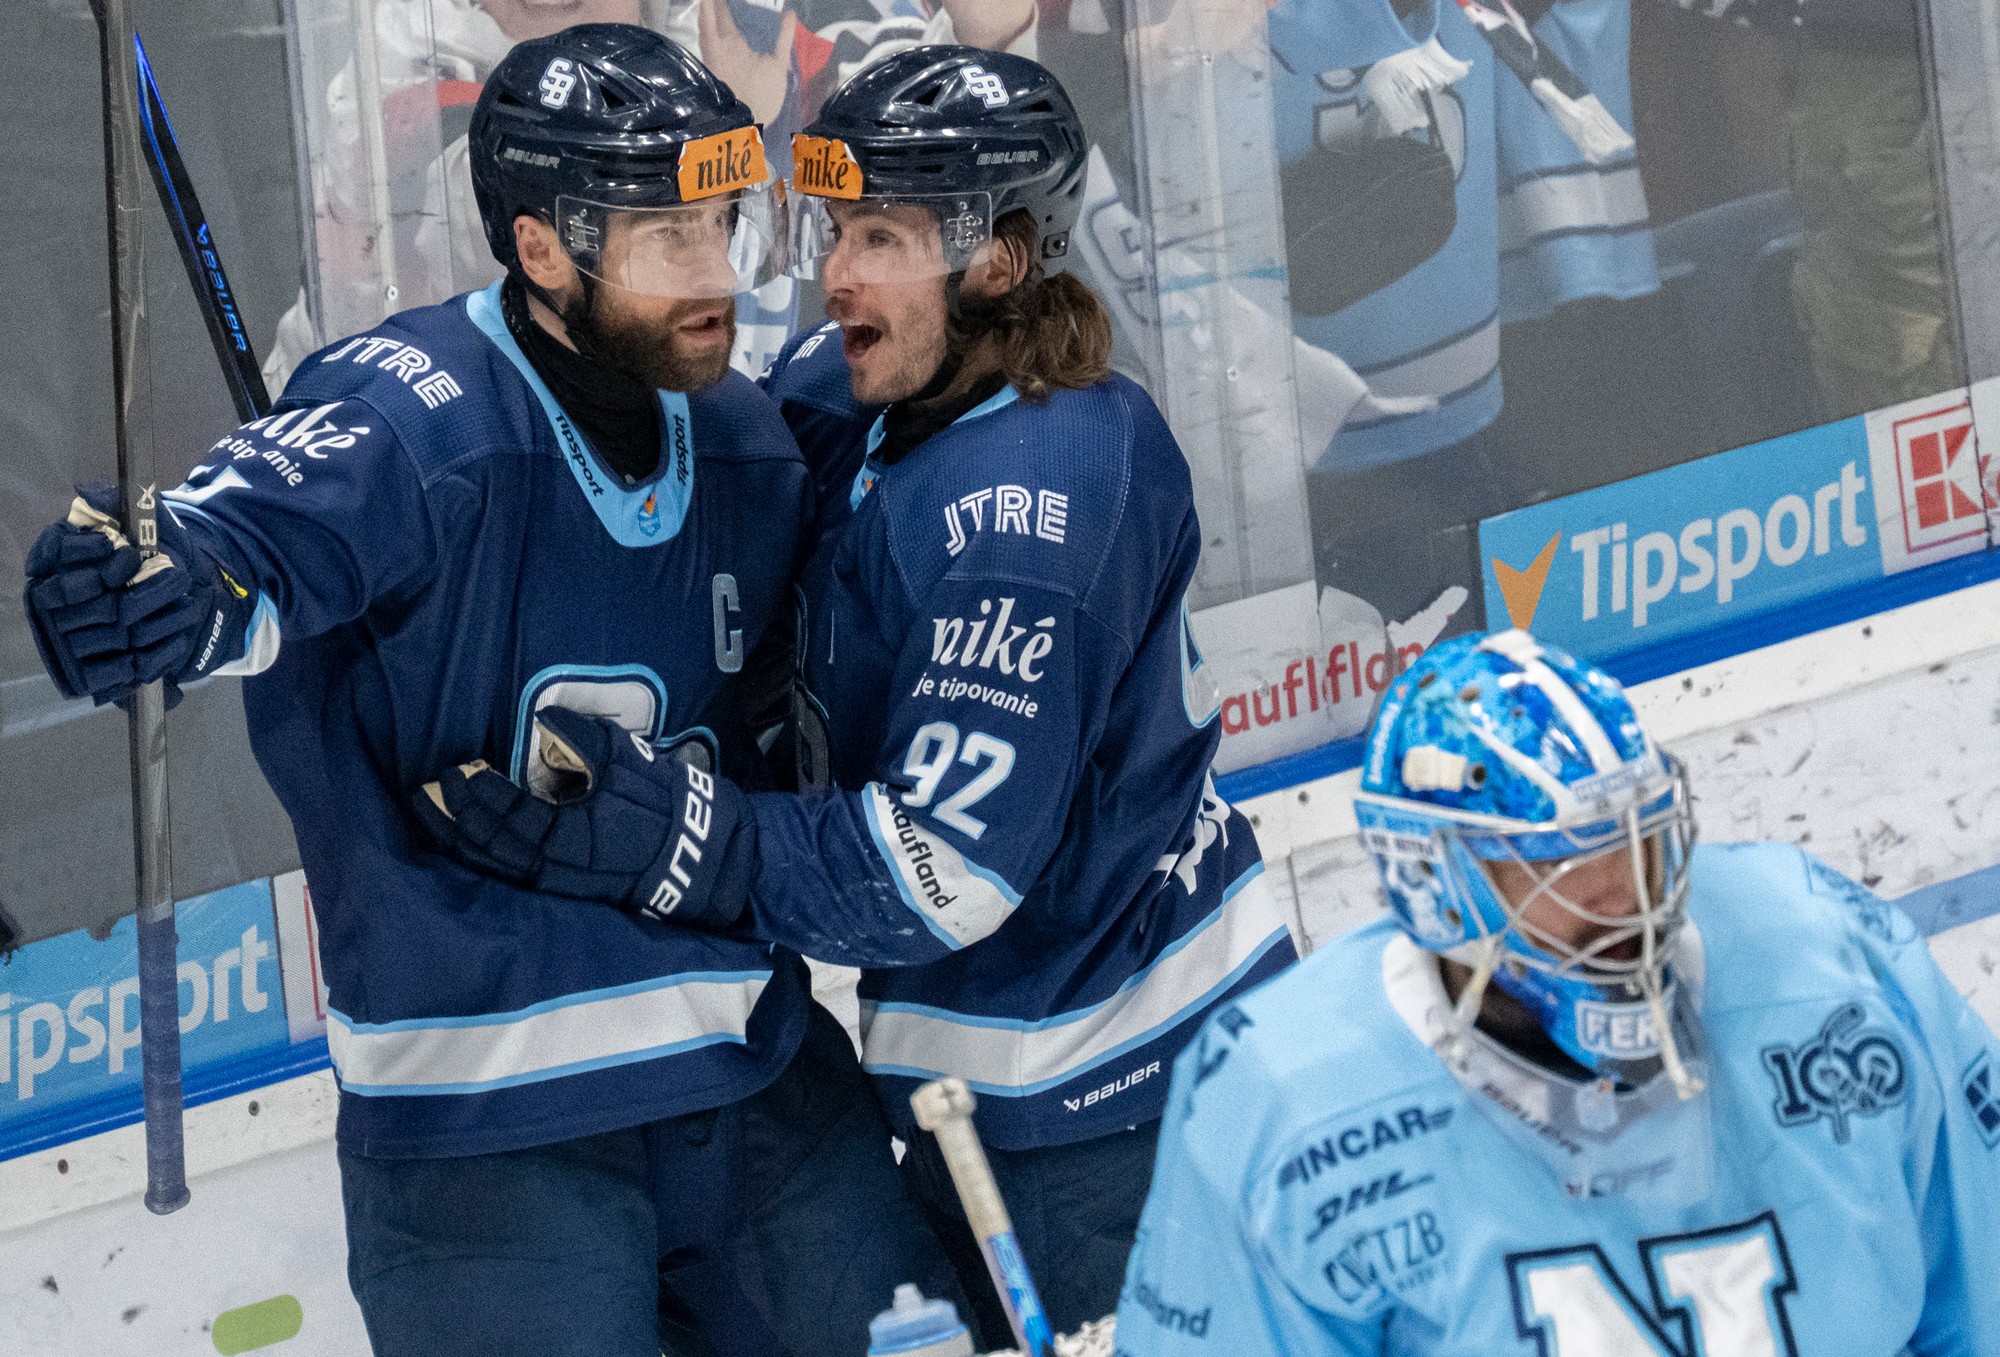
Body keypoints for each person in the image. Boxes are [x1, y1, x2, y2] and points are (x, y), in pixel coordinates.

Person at [23, 25, 949, 1357]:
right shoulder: (415, 416)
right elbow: (250, 529)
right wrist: (155, 581)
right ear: (541, 250)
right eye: (668, 238)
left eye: (723, 225)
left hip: (758, 1091)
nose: (716, 274)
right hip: (491, 1144)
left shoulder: (742, 438)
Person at [416, 46, 1300, 1346]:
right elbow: (672, 499)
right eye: (834, 229)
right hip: (997, 1090)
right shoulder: (868, 393)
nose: (835, 274)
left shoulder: (1036, 504)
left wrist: (677, 834)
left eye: (880, 237)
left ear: (998, 260)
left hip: (1121, 1106)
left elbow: (940, 869)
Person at [1115, 627, 2000, 1355]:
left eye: (1632, 839)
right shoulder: (1284, 1098)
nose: (1622, 896)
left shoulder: (1832, 961)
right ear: (1436, 882)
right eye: (1555, 864)